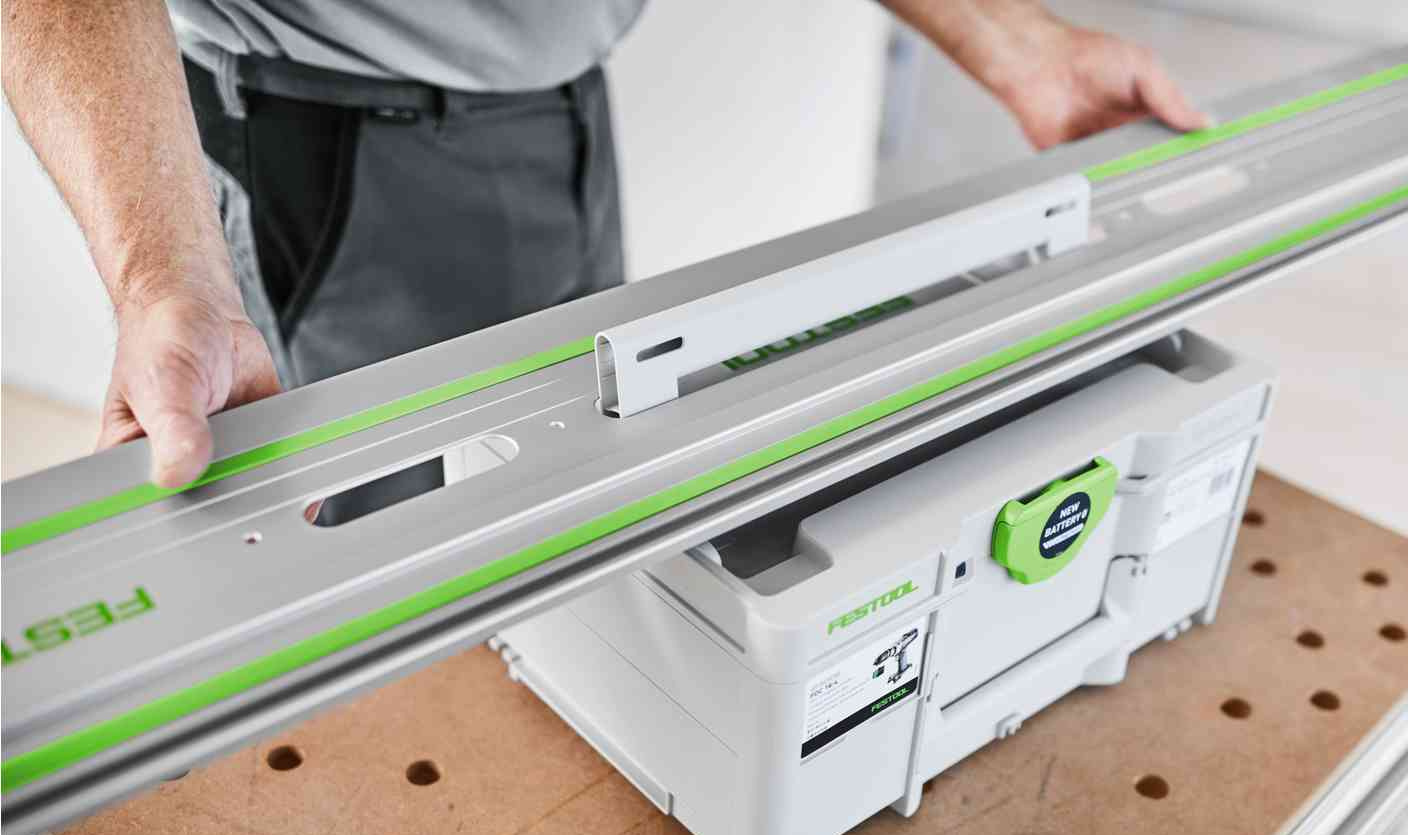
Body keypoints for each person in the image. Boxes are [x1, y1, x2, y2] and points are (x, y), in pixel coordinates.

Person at [3, 0, 1207, 512]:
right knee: (383, 539)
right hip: (330, 140)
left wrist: (1019, 47)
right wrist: (167, 276)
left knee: (582, 470)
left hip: (565, 106)